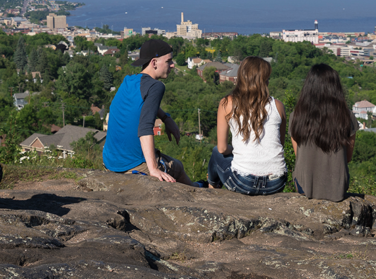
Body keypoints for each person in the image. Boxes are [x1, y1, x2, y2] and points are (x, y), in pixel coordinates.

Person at [103, 39, 205, 187]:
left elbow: (141, 105)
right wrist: (153, 169)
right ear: (154, 62)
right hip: (132, 166)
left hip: (110, 162)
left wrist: (165, 118)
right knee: (177, 167)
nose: (172, 65)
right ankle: (196, 191)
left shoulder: (128, 81)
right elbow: (145, 127)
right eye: (169, 61)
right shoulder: (156, 86)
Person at [207, 56, 287, 195]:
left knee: (215, 153)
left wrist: (235, 150)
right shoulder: (278, 106)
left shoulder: (227, 103)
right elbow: (279, 144)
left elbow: (222, 148)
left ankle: (212, 190)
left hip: (243, 182)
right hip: (276, 182)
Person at [289, 63, 359, 202]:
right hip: (337, 189)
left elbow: (299, 155)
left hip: (304, 187)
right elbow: (348, 157)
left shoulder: (296, 116)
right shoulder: (347, 117)